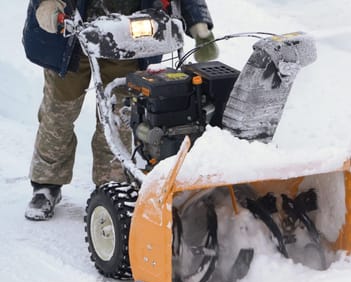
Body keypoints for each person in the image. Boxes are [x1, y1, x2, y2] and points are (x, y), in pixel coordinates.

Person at [22, 0, 219, 220]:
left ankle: (111, 185)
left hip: (125, 35)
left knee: (119, 115)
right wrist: (48, 4)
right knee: (58, 114)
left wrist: (198, 20)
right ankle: (46, 184)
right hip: (70, 35)